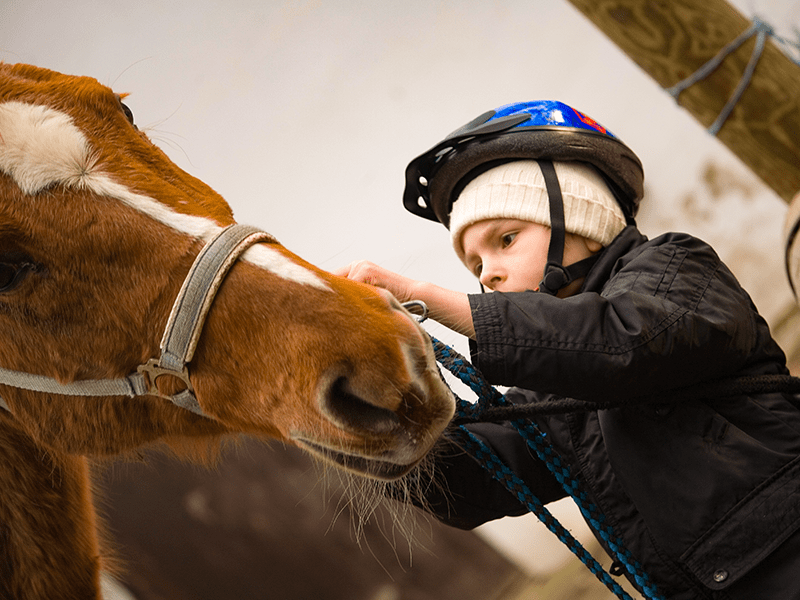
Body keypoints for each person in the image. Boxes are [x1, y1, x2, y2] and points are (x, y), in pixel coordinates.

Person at [335, 101, 800, 600]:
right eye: (475, 267)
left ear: (579, 217)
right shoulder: (550, 389)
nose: (488, 272)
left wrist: (427, 297)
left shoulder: (676, 268)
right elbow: (484, 477)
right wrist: (361, 403)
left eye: (506, 239)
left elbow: (621, 344)